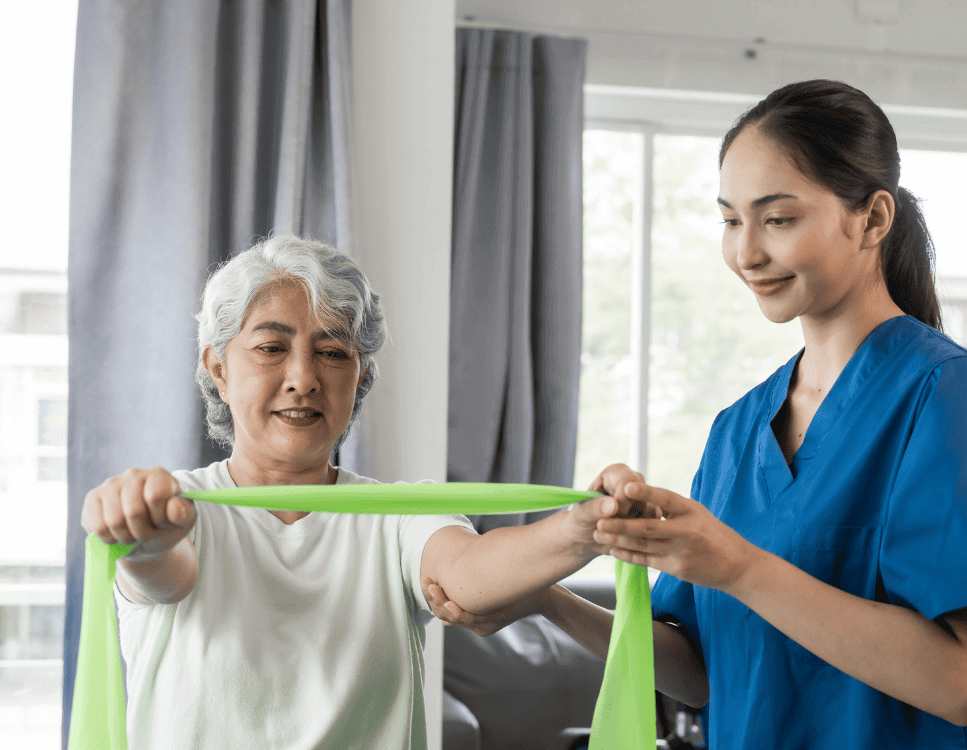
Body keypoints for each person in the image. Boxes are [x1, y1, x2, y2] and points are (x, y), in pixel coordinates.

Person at [423, 79, 967, 748]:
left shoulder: (949, 395)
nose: (746, 253)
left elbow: (959, 683)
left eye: (778, 219)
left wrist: (736, 565)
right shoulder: (737, 430)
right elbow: (702, 674)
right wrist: (545, 598)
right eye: (730, 220)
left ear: (871, 219)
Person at [80, 234, 644, 750]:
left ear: (362, 376)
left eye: (332, 353)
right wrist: (145, 538)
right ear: (219, 369)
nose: (303, 377)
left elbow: (468, 575)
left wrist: (581, 528)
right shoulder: (181, 506)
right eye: (271, 348)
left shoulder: (397, 515)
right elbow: (162, 573)